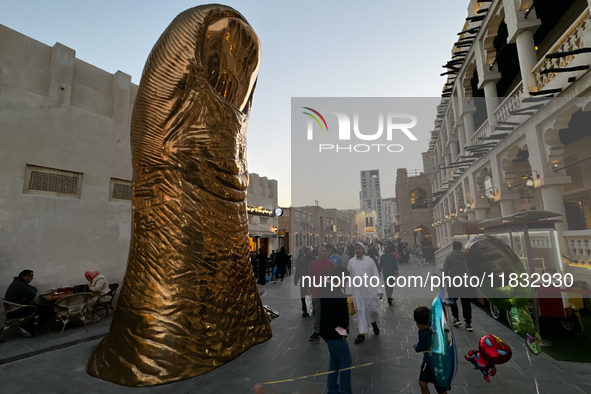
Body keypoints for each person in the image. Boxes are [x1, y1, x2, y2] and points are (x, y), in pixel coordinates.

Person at [320, 267, 352, 394]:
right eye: (345, 280)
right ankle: (344, 391)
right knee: (346, 360)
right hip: (334, 332)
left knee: (335, 360)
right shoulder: (335, 292)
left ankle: (332, 389)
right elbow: (336, 315)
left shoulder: (328, 288)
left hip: (327, 330)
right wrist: (344, 328)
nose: (345, 283)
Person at [346, 242, 383, 344]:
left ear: (363, 249)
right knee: (360, 310)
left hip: (369, 291)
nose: (358, 250)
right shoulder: (351, 262)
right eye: (356, 249)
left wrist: (379, 290)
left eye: (359, 248)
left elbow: (376, 275)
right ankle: (362, 333)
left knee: (372, 310)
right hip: (357, 292)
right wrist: (348, 291)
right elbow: (348, 277)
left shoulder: (370, 261)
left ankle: (374, 323)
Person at [4, 270, 54, 337]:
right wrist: (32, 290)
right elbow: (33, 293)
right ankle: (27, 328)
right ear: (24, 277)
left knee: (43, 308)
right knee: (49, 310)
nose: (32, 278)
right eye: (31, 276)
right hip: (17, 310)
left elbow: (34, 289)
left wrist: (32, 290)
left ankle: (28, 327)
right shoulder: (19, 284)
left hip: (16, 309)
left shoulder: (18, 283)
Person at [413, 306, 448, 394]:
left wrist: (416, 347)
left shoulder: (424, 333)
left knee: (422, 383)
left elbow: (421, 347)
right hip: (441, 362)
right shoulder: (435, 327)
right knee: (440, 387)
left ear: (419, 324)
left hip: (429, 362)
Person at [307, 246, 336, 341]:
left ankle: (329, 329)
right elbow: (309, 277)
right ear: (319, 252)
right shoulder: (313, 264)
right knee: (317, 313)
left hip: (328, 293)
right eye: (324, 251)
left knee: (328, 312)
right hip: (316, 292)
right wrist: (308, 289)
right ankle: (317, 331)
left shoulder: (331, 264)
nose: (326, 252)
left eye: (327, 250)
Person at [443, 241, 473, 332]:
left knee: (452, 300)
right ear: (461, 248)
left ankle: (456, 318)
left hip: (454, 283)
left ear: (453, 247)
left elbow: (445, 270)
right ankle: (468, 323)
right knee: (466, 303)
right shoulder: (466, 257)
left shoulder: (449, 257)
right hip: (466, 283)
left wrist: (445, 280)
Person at [294, 247, 315, 317]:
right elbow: (298, 271)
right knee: (303, 295)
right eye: (308, 252)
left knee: (313, 294)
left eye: (310, 251)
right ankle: (305, 309)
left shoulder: (314, 259)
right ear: (305, 253)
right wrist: (296, 280)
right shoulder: (301, 260)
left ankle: (313, 307)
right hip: (304, 279)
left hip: (313, 280)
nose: (309, 253)